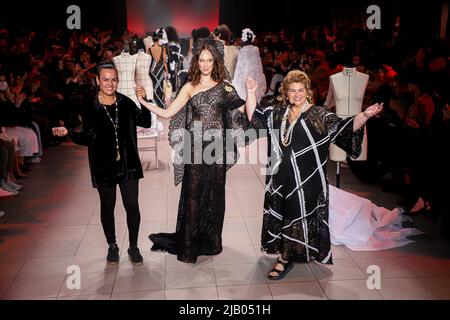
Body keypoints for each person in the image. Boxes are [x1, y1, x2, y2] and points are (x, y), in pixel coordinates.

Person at [245, 70, 383, 280]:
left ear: (308, 92)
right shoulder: (277, 113)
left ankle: (285, 258)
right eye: (292, 90)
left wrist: (365, 115)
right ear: (285, 93)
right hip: (280, 179)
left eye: (301, 90)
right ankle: (290, 252)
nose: (297, 94)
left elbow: (344, 127)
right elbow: (254, 116)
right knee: (284, 214)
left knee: (298, 213)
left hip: (308, 181)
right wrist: (250, 92)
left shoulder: (319, 115)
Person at [136, 44, 250, 263]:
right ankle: (188, 245)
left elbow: (242, 110)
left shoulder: (225, 88)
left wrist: (251, 92)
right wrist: (144, 102)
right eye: (202, 60)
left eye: (210, 60)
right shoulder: (189, 86)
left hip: (216, 150)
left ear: (215, 62)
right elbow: (169, 112)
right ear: (196, 62)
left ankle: (211, 241)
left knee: (215, 196)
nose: (205, 64)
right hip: (195, 149)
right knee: (193, 196)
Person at [52, 62, 152, 265]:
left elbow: (146, 121)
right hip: (103, 166)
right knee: (107, 206)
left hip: (128, 164)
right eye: (105, 79)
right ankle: (112, 245)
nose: (110, 83)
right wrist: (68, 134)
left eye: (113, 79)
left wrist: (143, 99)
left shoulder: (125, 103)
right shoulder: (90, 107)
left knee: (132, 205)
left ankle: (133, 246)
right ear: (98, 80)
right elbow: (85, 137)